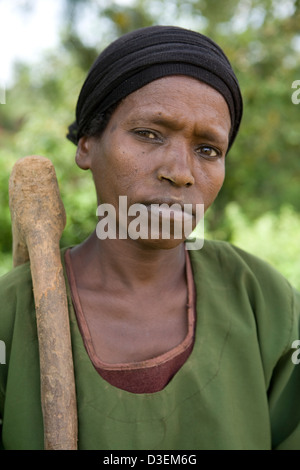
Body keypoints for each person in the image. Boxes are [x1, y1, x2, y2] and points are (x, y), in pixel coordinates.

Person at [0, 25, 299, 451]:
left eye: (208, 149)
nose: (179, 171)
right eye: (148, 134)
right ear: (87, 144)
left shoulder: (263, 302)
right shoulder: (9, 314)